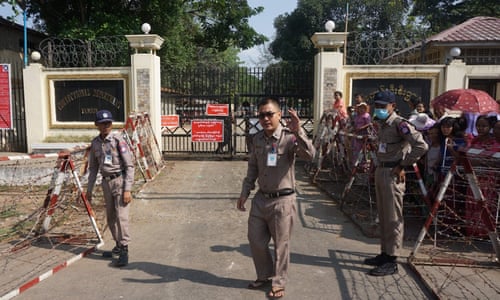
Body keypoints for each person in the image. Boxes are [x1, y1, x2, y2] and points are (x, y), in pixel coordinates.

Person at [237, 98, 315, 298]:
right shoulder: (257, 139)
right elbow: (253, 167)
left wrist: (299, 131)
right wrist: (245, 192)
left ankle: (279, 283)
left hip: (283, 201)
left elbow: (310, 155)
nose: (265, 118)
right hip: (261, 199)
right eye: (261, 114)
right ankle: (264, 274)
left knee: (281, 245)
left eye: (269, 114)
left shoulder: (289, 138)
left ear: (279, 115)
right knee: (255, 240)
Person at [364, 90, 428, 276]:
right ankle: (384, 253)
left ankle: (392, 260)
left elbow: (421, 145)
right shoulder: (383, 124)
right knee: (383, 216)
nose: (380, 109)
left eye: (383, 106)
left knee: (393, 217)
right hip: (381, 170)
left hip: (393, 173)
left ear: (393, 106)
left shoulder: (400, 124)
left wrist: (403, 165)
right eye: (378, 106)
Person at [86, 110, 135, 267]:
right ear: (97, 125)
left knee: (122, 216)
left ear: (111, 124)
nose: (106, 126)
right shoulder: (95, 143)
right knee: (111, 217)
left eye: (108, 123)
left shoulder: (117, 140)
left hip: (119, 182)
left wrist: (127, 189)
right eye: (102, 123)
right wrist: (89, 190)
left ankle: (125, 249)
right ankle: (118, 245)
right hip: (106, 183)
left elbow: (129, 165)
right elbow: (93, 168)